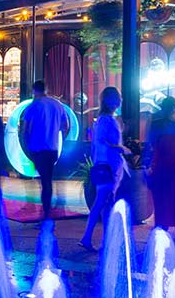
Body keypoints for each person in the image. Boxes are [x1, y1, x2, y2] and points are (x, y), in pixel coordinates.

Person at [79, 87, 130, 251]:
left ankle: (105, 242)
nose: (120, 101)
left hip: (105, 166)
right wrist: (120, 148)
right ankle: (88, 238)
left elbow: (97, 144)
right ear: (109, 100)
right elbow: (102, 142)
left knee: (105, 204)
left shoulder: (106, 120)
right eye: (117, 98)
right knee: (101, 202)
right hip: (105, 166)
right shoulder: (106, 120)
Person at [143, 95, 175, 240]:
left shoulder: (155, 125)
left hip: (163, 168)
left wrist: (146, 166)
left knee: (163, 200)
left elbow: (149, 146)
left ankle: (162, 232)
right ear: (174, 109)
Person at [19, 80, 69, 220]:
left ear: (34, 90)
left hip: (37, 148)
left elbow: (26, 129)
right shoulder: (57, 105)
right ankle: (49, 210)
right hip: (52, 148)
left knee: (44, 181)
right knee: (47, 179)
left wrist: (26, 144)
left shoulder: (33, 106)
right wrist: (58, 136)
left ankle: (46, 214)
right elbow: (65, 125)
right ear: (46, 89)